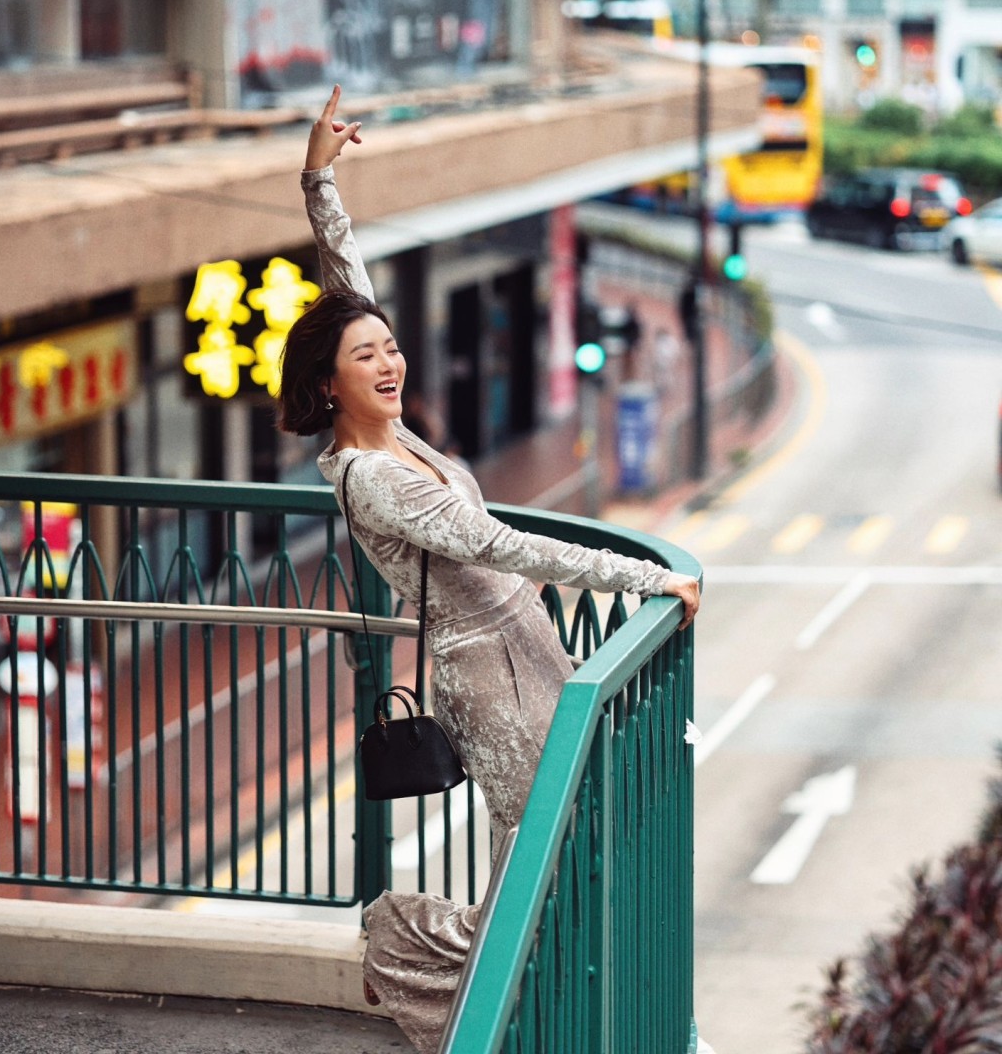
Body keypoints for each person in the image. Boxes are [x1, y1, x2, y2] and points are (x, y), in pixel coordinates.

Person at [277, 86, 701, 1054]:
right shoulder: (373, 477)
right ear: (327, 382)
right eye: (366, 357)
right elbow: (502, 545)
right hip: (488, 675)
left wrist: (320, 179)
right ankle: (463, 997)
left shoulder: (397, 433)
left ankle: (527, 1016)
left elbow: (348, 277)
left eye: (390, 349)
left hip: (531, 640)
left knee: (564, 843)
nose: (389, 363)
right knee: (532, 868)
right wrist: (641, 580)